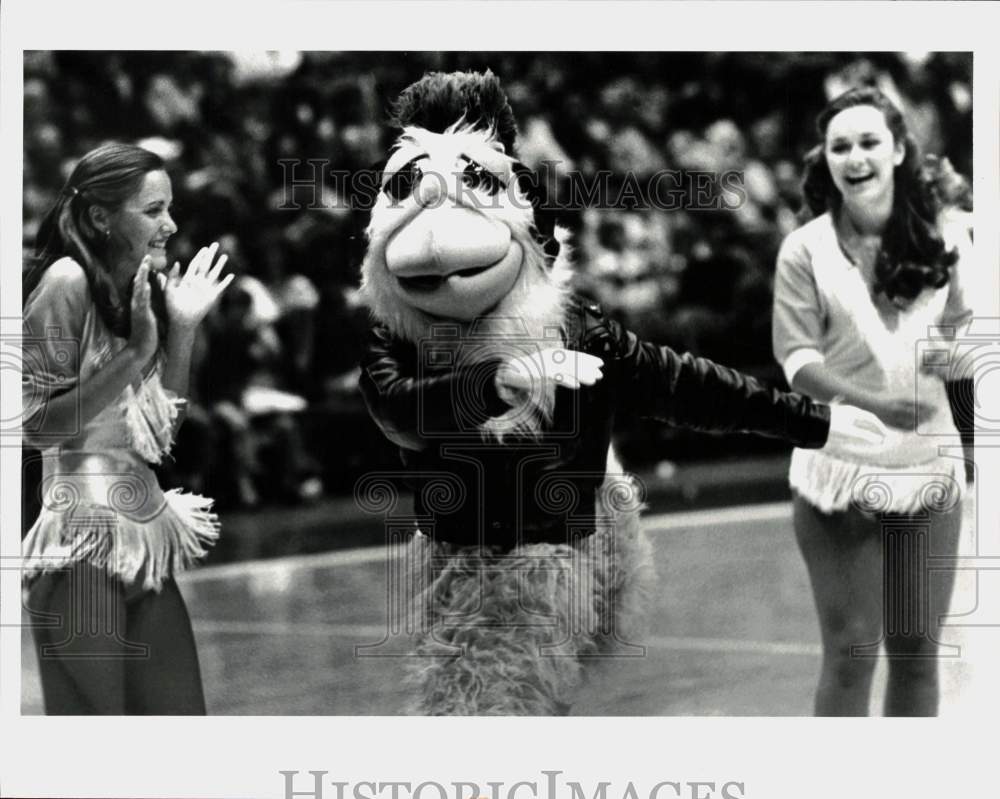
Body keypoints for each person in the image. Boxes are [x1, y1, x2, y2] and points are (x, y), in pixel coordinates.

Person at [772, 87, 976, 716]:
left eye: (868, 142)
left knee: (917, 659)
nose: (854, 157)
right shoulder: (803, 248)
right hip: (838, 474)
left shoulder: (954, 235)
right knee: (853, 650)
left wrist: (956, 354)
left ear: (898, 150)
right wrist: (878, 405)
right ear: (826, 159)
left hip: (928, 472)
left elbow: (967, 338)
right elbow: (797, 362)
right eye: (840, 146)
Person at [21, 142, 232, 714]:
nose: (171, 224)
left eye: (169, 208)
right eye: (153, 210)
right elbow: (36, 426)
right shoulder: (66, 281)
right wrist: (137, 352)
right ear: (100, 217)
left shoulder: (138, 290)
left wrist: (181, 329)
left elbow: (158, 437)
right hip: (79, 552)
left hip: (145, 541)